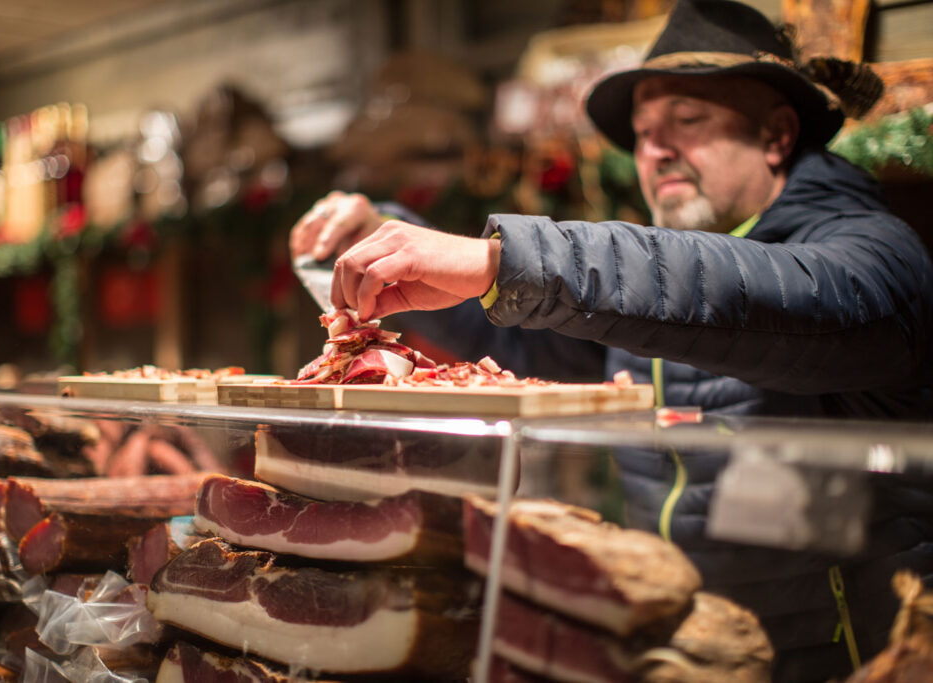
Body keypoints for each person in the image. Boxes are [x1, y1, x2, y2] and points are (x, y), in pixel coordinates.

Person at [289, 0, 933, 679]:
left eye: (688, 120)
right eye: (644, 131)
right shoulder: (644, 288)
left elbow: (782, 298)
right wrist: (387, 232)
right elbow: (524, 340)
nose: (655, 150)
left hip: (853, 661)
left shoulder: (873, 246)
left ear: (776, 136)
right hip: (686, 655)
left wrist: (503, 259)